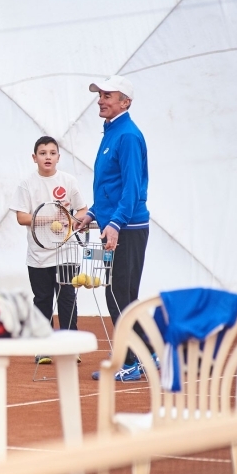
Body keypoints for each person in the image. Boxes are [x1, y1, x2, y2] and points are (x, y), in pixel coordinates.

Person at [76, 75, 155, 381]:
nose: (101, 99)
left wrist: (116, 223)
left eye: (108, 95)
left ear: (126, 102)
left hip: (128, 227)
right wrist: (94, 213)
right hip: (114, 225)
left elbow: (132, 188)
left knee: (119, 293)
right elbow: (112, 184)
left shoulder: (128, 136)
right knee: (120, 293)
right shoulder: (112, 132)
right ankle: (139, 351)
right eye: (100, 95)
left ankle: (134, 359)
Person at [10, 135, 87, 364]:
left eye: (52, 153)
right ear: (34, 158)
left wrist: (71, 220)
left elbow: (82, 210)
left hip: (66, 254)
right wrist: (49, 218)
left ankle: (70, 347)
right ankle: (43, 348)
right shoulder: (26, 184)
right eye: (43, 153)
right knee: (42, 300)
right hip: (38, 256)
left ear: (58, 157)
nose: (48, 157)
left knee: (67, 298)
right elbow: (21, 217)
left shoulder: (69, 181)